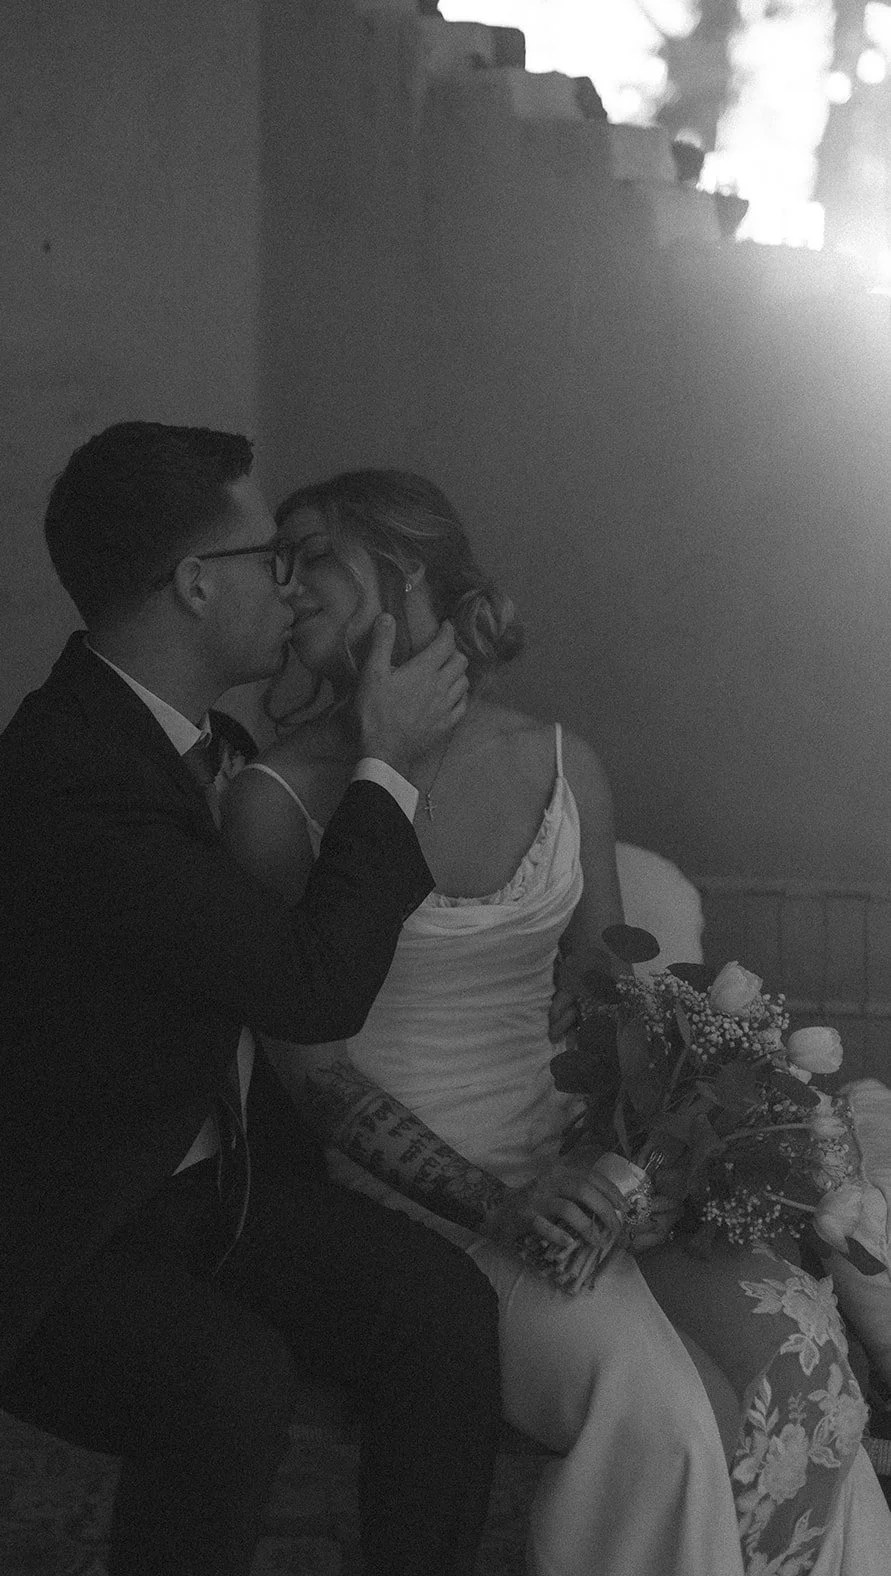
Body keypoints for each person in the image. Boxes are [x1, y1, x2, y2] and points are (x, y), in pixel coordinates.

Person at [221, 467, 891, 1576]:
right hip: (410, 1208)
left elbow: (611, 1007)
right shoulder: (272, 802)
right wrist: (510, 1203)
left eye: (311, 558)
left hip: (570, 1163)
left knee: (800, 1355)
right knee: (672, 1425)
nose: (285, 588)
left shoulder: (560, 762)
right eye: (272, 564)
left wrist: (645, 1161)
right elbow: (314, 1082)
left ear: (407, 573)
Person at [0, 424, 508, 1576]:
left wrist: (364, 732)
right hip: (61, 1235)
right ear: (192, 583)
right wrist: (388, 764)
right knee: (226, 1381)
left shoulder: (199, 742)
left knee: (437, 1309)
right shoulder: (72, 777)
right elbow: (306, 986)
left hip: (199, 1194)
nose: (289, 586)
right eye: (270, 560)